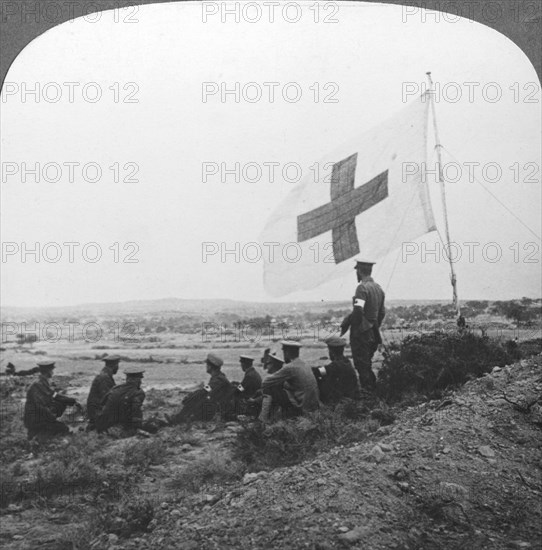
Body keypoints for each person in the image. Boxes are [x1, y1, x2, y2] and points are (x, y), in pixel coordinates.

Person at [341, 260, 385, 391]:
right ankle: (373, 394)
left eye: (357, 271)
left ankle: (369, 396)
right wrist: (373, 325)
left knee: (362, 367)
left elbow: (358, 310)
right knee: (367, 365)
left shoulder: (362, 288)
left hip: (362, 334)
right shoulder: (378, 288)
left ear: (360, 271)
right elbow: (382, 312)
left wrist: (353, 325)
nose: (356, 274)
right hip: (373, 333)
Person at [167, 353, 233, 424]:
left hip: (218, 409)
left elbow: (205, 391)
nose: (206, 367)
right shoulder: (218, 377)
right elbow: (207, 390)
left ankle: (178, 419)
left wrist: (191, 397)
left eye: (207, 365)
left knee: (196, 399)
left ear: (210, 367)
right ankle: (180, 418)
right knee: (197, 398)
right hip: (219, 407)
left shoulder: (217, 380)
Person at [261, 341, 320, 419]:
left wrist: (279, 381)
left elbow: (265, 383)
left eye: (284, 351)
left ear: (287, 352)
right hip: (313, 406)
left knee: (270, 388)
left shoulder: (290, 367)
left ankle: (263, 419)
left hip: (302, 407)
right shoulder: (305, 364)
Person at [23, 361, 81, 441]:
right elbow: (39, 406)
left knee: (61, 404)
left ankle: (40, 433)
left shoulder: (43, 382)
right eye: (51, 370)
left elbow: (54, 395)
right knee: (63, 429)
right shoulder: (38, 384)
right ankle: (37, 434)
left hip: (39, 416)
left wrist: (72, 401)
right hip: (35, 420)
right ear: (47, 371)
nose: (52, 372)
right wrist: (51, 417)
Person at [95, 366, 146, 435]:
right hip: (120, 428)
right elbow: (136, 411)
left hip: (104, 426)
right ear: (137, 380)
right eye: (140, 379)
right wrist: (138, 428)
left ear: (127, 378)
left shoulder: (115, 388)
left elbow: (102, 404)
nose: (140, 382)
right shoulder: (138, 392)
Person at [312, 336, 361, 404]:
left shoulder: (335, 366)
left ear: (331, 352)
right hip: (352, 396)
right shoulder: (346, 361)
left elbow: (319, 372)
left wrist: (310, 368)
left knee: (320, 379)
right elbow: (326, 370)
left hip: (345, 399)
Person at [86, 355, 119, 430]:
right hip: (97, 412)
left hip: (96, 410)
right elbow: (107, 398)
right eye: (117, 365)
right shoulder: (104, 377)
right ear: (115, 365)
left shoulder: (105, 375)